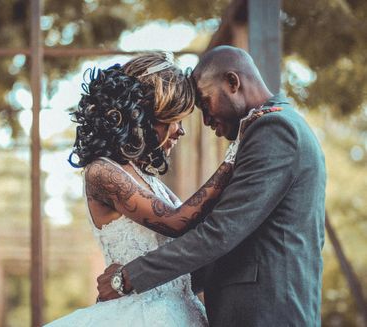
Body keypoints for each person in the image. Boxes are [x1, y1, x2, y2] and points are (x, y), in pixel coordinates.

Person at [96, 46, 327, 327]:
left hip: (268, 314)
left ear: (232, 82)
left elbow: (222, 231)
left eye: (205, 104)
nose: (205, 121)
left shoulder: (275, 129)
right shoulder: (269, 127)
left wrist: (130, 277)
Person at [45, 52, 271, 326]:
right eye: (173, 119)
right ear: (142, 115)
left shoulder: (146, 179)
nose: (180, 131)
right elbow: (176, 222)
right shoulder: (101, 172)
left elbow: (195, 226)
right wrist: (233, 157)